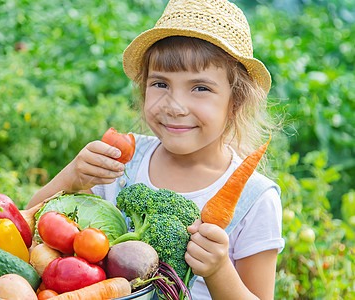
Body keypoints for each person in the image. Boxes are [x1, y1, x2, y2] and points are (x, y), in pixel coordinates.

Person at [27, 0, 284, 298]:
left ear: (235, 102)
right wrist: (70, 178)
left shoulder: (255, 198)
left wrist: (218, 270)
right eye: (160, 84)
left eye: (200, 88)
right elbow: (30, 225)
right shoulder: (123, 161)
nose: (175, 107)